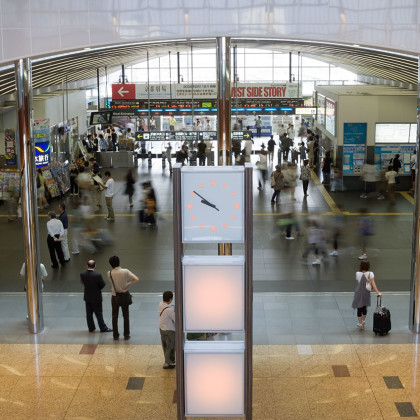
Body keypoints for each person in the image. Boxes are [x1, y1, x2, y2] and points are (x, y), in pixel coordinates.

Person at [108, 255, 139, 340]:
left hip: (115, 297)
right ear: (119, 262)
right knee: (126, 315)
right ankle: (126, 334)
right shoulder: (125, 271)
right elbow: (136, 279)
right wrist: (128, 284)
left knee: (114, 316)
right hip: (124, 295)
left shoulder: (109, 273)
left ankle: (115, 335)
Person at [80, 260, 112, 333]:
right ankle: (103, 328)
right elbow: (102, 284)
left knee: (89, 314)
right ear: (95, 266)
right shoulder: (97, 275)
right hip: (96, 297)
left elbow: (83, 283)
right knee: (98, 313)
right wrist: (97, 289)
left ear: (87, 266)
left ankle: (91, 327)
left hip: (87, 296)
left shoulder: (83, 274)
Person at [352, 260, 381, 330]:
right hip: (366, 293)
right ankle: (363, 321)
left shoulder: (357, 273)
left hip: (359, 293)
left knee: (359, 308)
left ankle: (360, 324)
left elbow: (359, 282)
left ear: (361, 266)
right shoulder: (370, 274)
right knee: (364, 308)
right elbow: (373, 284)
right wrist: (377, 292)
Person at [158, 290, 176, 369]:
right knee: (170, 347)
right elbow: (176, 319)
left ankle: (168, 361)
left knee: (165, 346)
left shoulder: (161, 304)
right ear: (170, 299)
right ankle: (168, 363)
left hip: (162, 328)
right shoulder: (169, 310)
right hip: (169, 330)